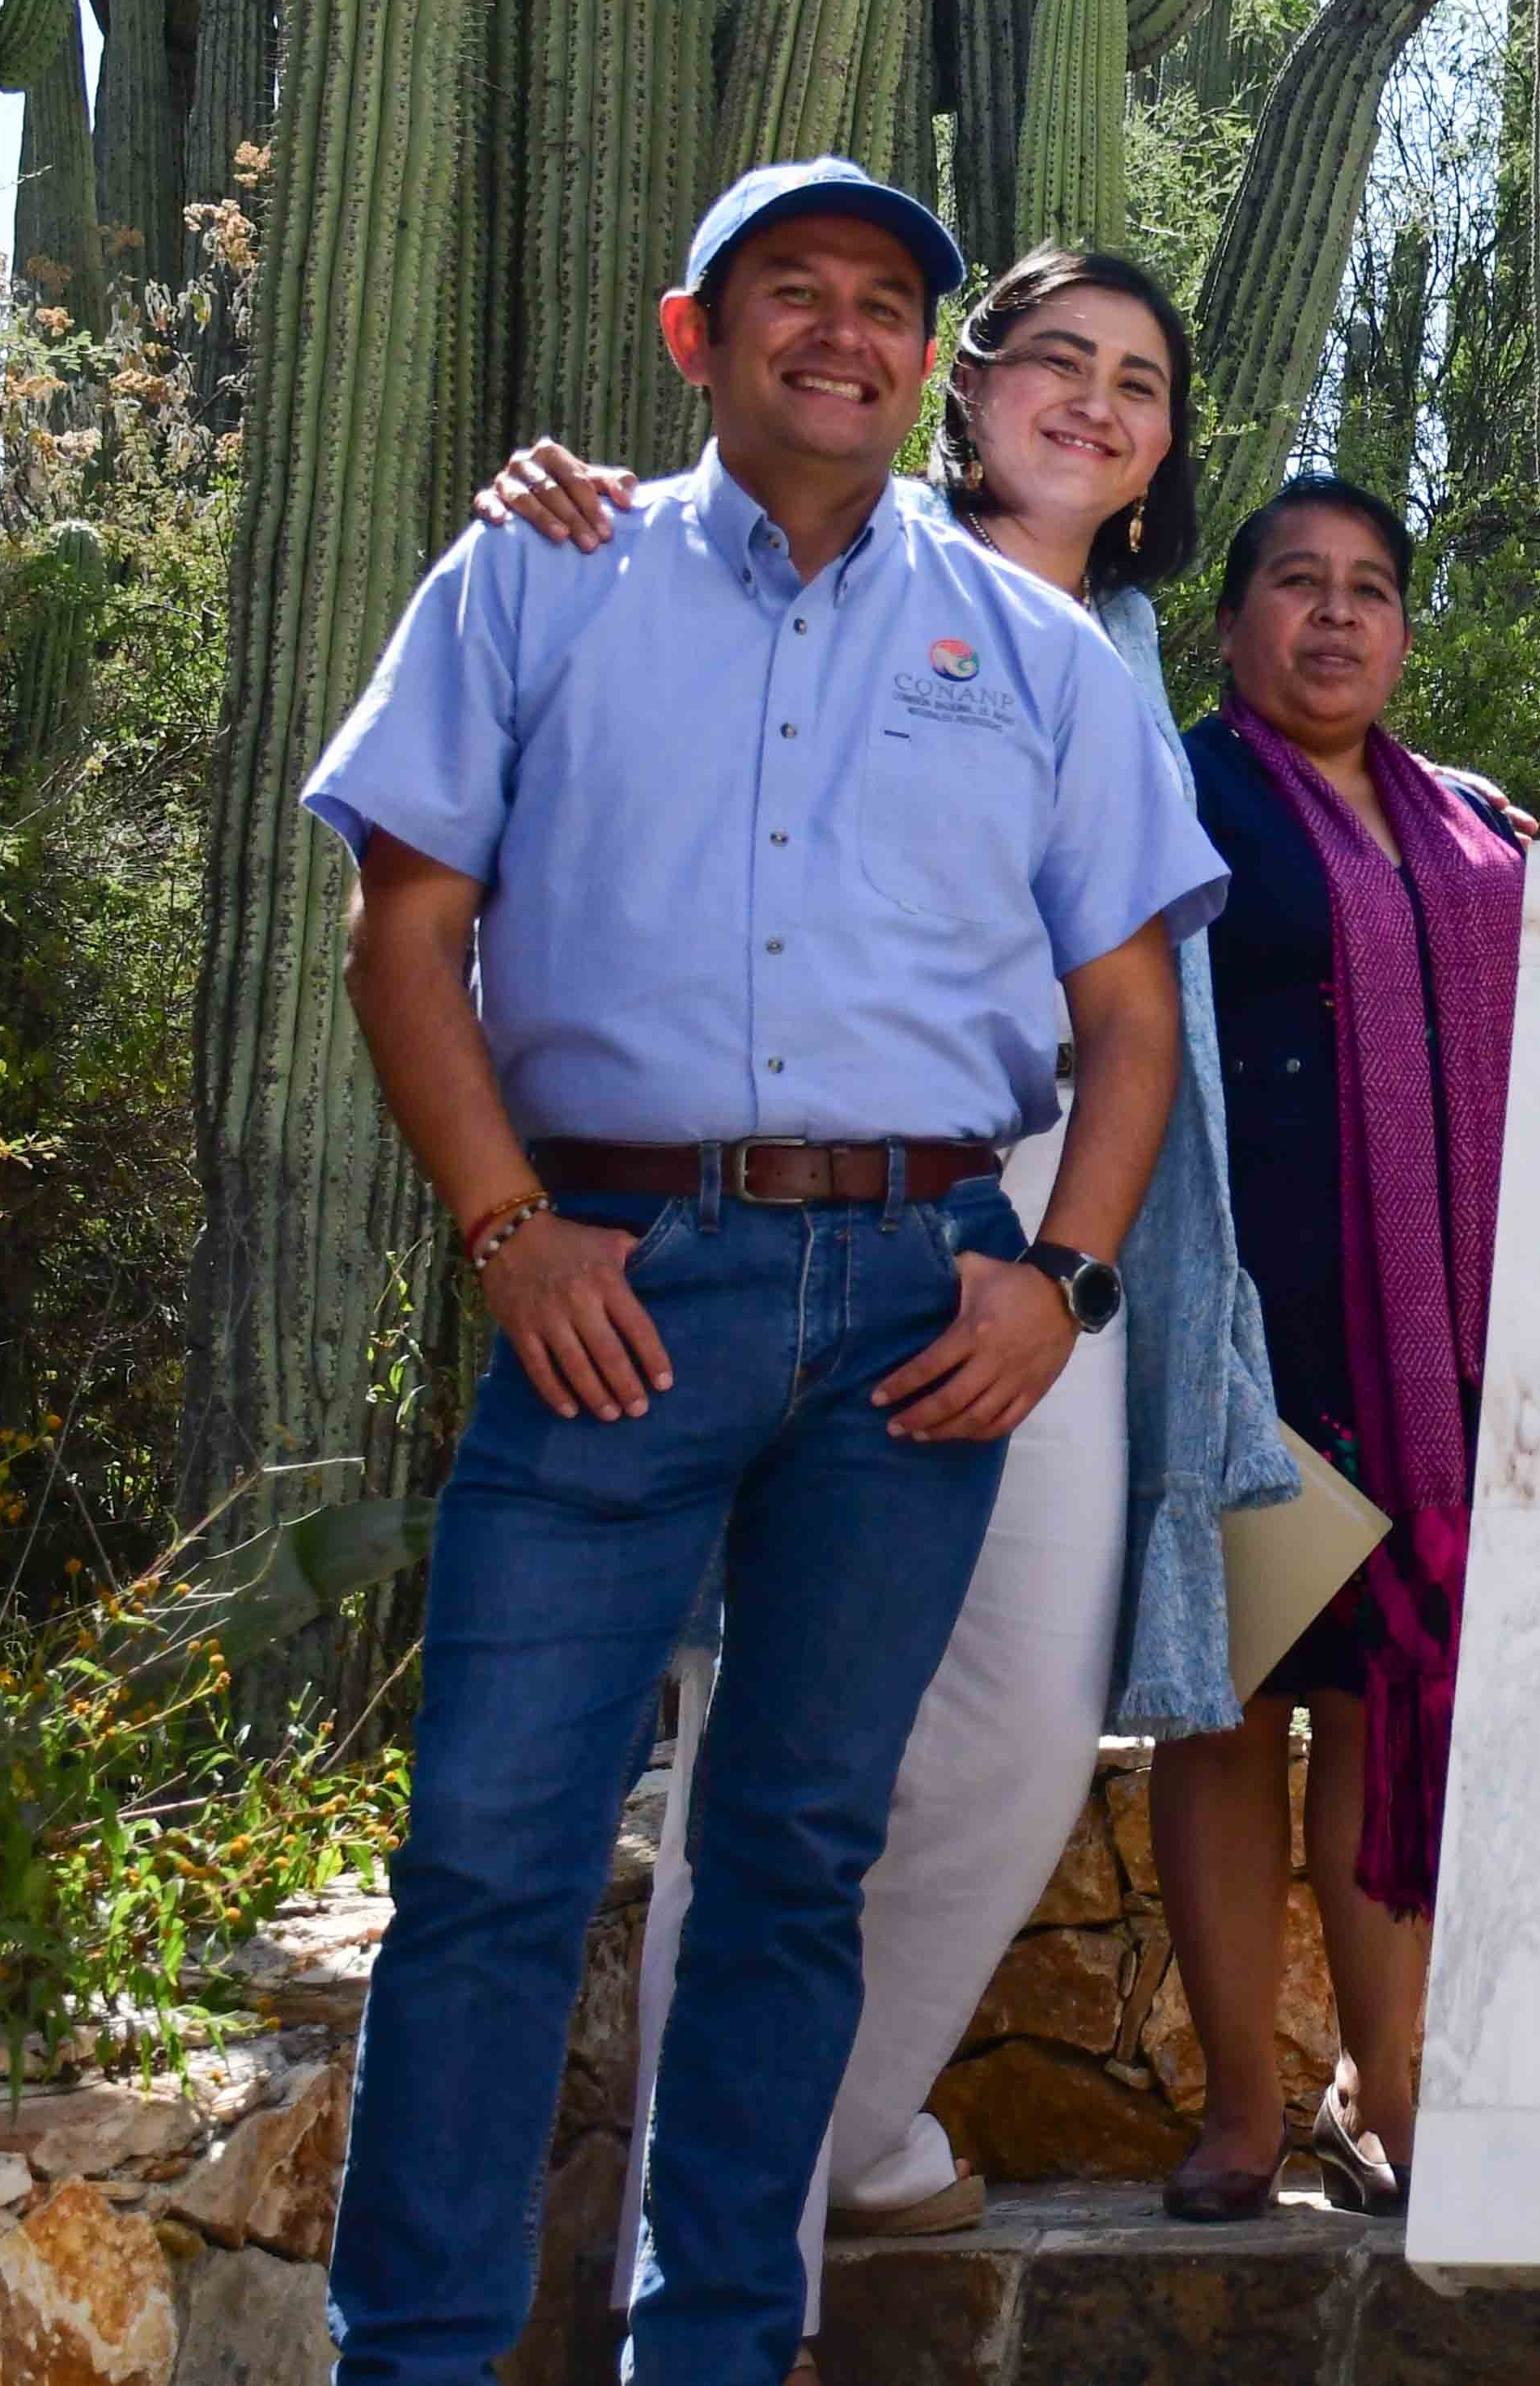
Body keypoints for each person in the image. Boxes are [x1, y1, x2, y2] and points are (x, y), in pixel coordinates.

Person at [303, 162, 1227, 2386]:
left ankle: (714, 2343)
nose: (843, 328)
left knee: (796, 1858)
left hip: (917, 1302)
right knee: (491, 1863)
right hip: (612, 1281)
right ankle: (409, 2355)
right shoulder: (543, 571)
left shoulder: (1028, 646)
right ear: (688, 332)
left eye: (885, 300)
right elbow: (406, 930)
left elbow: (1130, 1020)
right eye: (788, 291)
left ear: (930, 359)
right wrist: (508, 1232)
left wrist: (1061, 1281)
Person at [472, 248, 1309, 2300]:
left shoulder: (1114, 637)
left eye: (1140, 380)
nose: (1097, 403)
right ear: (964, 385)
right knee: (754, 1732)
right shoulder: (834, 556)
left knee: (1026, 1705)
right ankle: (732, 2257)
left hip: (1048, 1212)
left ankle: (802, 2146)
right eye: (1057, 361)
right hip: (796, 1184)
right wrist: (553, 513)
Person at [1160, 475, 1525, 2220]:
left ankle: (1391, 2098)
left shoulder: (1461, 826)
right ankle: (1240, 2106)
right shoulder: (1178, 796)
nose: (1334, 616)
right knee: (1223, 1722)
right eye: (1294, 583)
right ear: (1228, 623)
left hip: (1432, 1364)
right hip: (1247, 1343)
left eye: (1369, 587)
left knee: (1389, 1720)